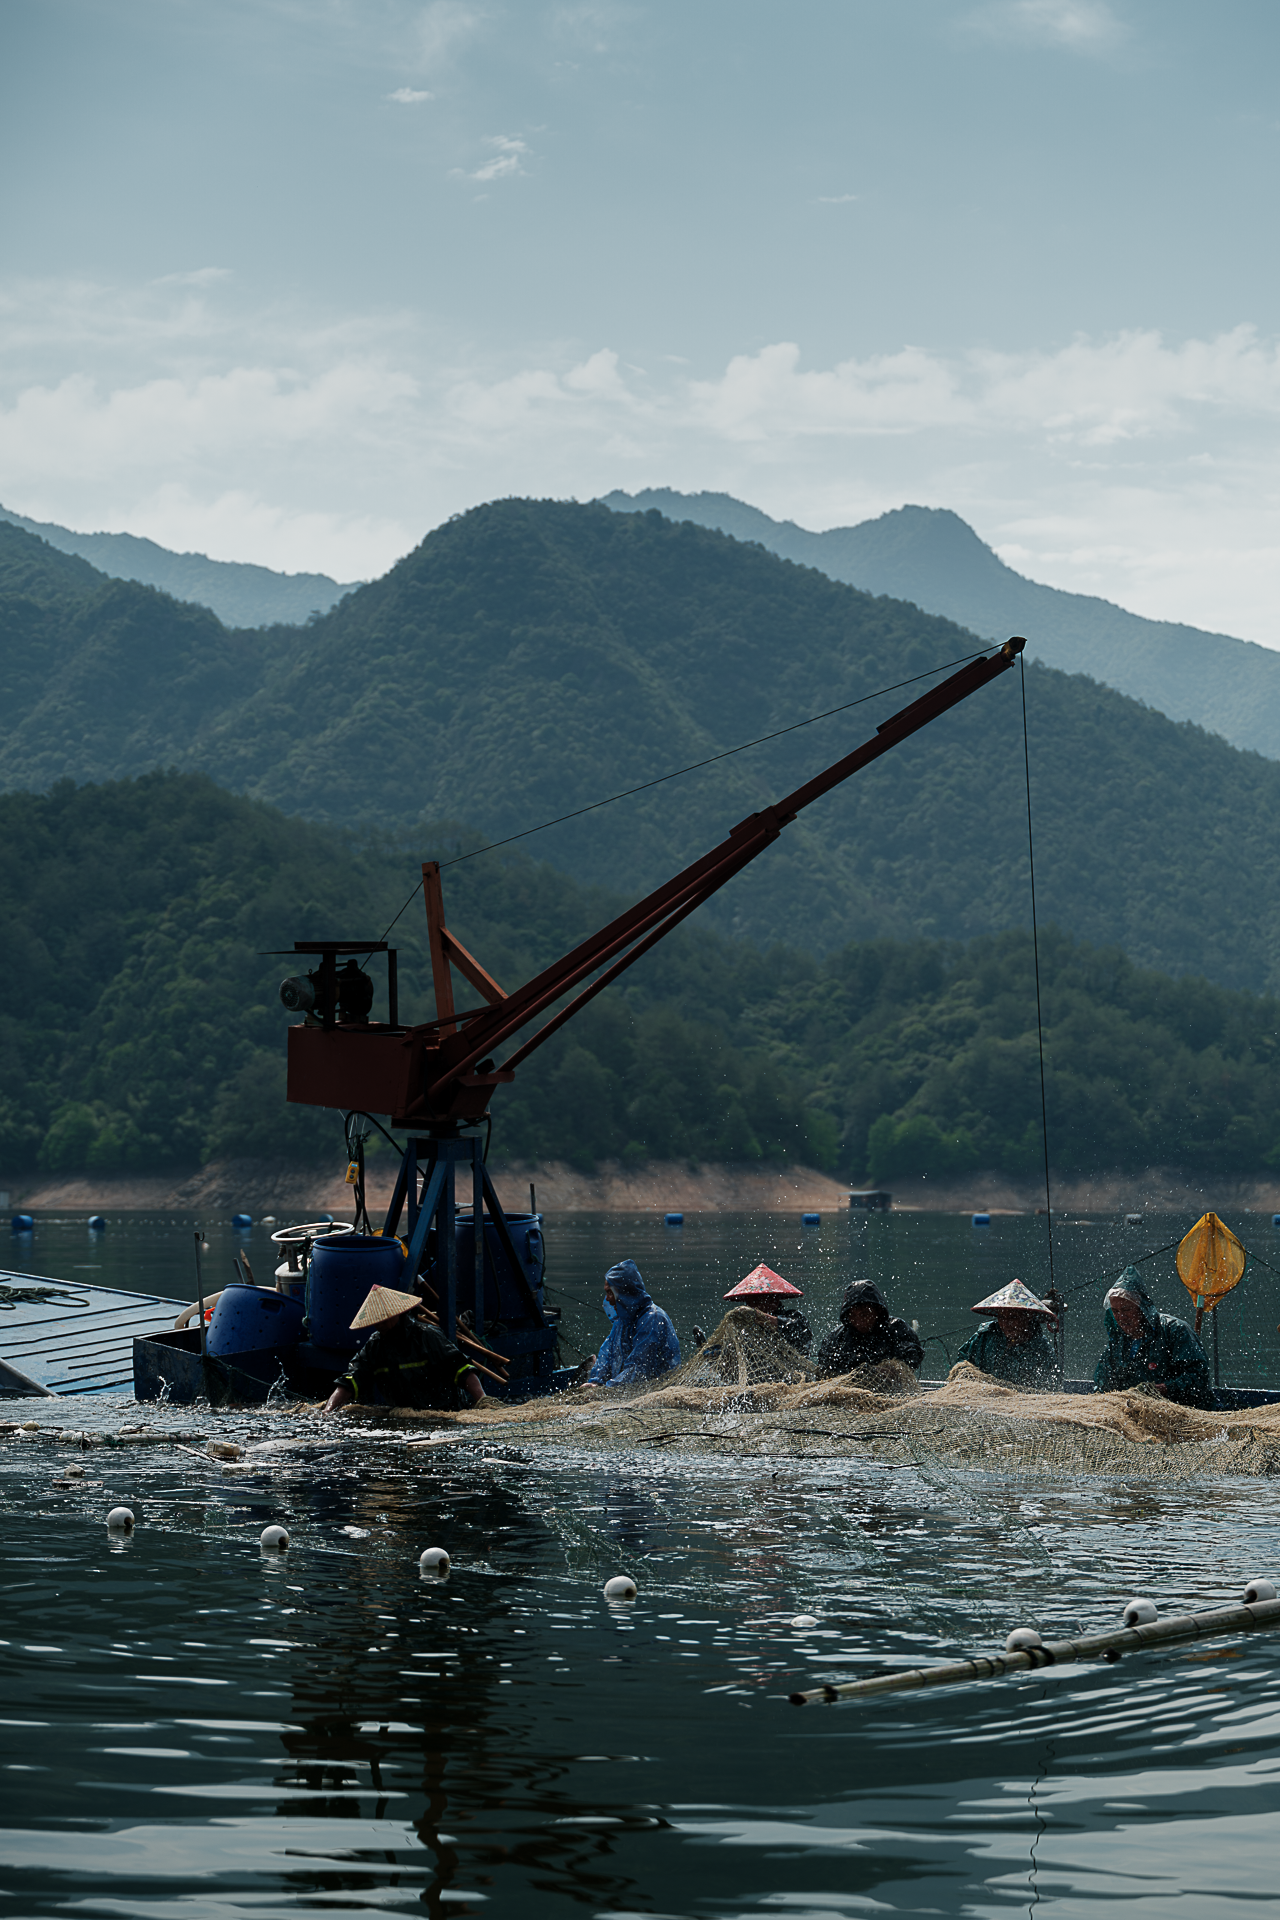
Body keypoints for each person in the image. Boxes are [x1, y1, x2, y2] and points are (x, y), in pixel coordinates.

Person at [323, 1284, 486, 1412]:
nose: (380, 1324)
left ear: (397, 1314)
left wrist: (483, 1401)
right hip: (405, 1415)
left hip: (446, 1412)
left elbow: (462, 1369)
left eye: (384, 1319)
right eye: (376, 1321)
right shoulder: (375, 1346)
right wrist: (328, 1411)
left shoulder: (427, 1336)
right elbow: (351, 1380)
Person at [1093, 1265, 1214, 1409]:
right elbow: (1104, 1380)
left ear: (1142, 1308)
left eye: (1126, 1309)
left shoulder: (1175, 1331)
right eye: (1115, 1311)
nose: (1121, 1317)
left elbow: (1199, 1378)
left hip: (1178, 1411)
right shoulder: (1119, 1341)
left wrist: (1162, 1389)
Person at [586, 1259, 681, 1387]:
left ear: (625, 1293)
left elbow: (639, 1370)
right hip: (624, 1389)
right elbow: (607, 1355)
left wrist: (606, 1389)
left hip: (659, 1390)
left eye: (610, 1292)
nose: (607, 1299)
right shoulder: (623, 1320)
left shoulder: (652, 1319)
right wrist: (596, 1382)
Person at [958, 1279, 1061, 1389]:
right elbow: (962, 1360)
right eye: (1002, 1317)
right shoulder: (985, 1336)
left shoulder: (1041, 1349)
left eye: (1013, 1317)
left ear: (1028, 1317)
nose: (1007, 1324)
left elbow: (1050, 1386)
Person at [815, 1279, 924, 1377]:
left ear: (878, 1310)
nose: (859, 1321)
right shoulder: (837, 1337)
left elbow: (913, 1357)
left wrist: (886, 1371)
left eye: (864, 1314)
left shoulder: (896, 1328)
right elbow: (824, 1366)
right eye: (853, 1316)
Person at [722, 1263, 811, 1353]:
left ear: (774, 1301)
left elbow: (793, 1329)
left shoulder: (795, 1317)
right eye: (749, 1301)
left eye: (756, 1300)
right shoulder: (743, 1327)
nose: (750, 1305)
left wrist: (756, 1315)